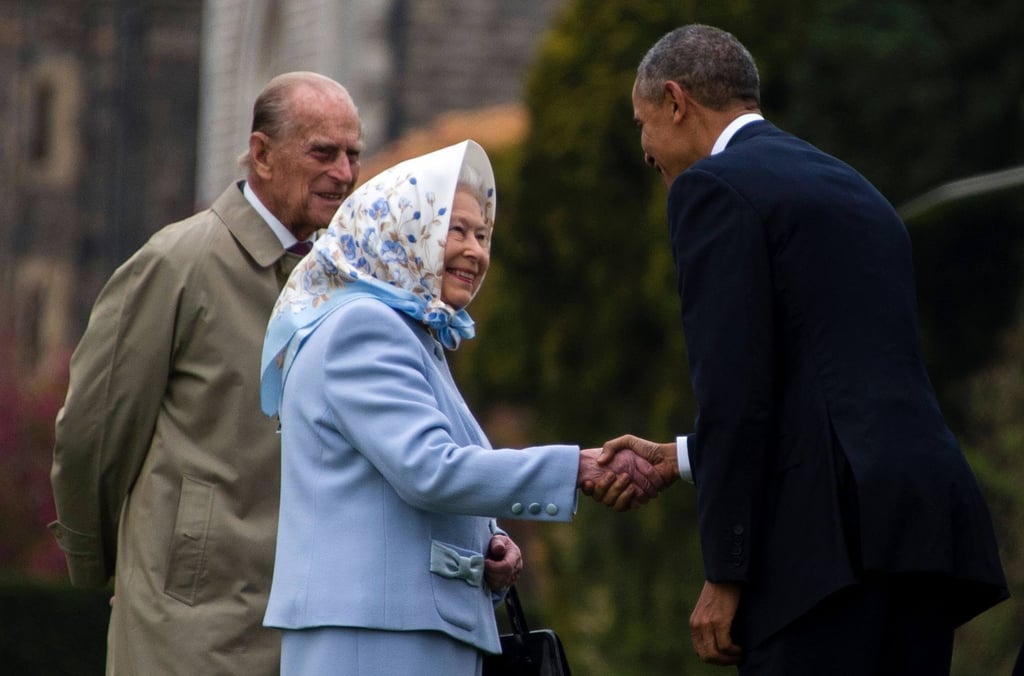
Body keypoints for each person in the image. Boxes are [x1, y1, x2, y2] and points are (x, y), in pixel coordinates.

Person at [598, 23, 1009, 675]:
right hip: (921, 534)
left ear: (675, 101)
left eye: (642, 123)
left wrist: (728, 571)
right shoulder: (857, 190)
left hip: (823, 554)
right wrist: (679, 458)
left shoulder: (714, 188)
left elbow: (736, 392)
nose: (647, 150)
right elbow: (831, 387)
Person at [259, 139, 662, 675]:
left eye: (483, 235)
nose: (475, 251)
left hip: (399, 634)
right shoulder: (365, 326)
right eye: (457, 229)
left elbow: (397, 489)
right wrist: (579, 467)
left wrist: (488, 544)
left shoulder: (409, 332)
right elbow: (429, 468)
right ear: (406, 226)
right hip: (373, 639)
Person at [48, 71, 364, 675]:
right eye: (322, 152)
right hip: (186, 623)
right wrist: (105, 569)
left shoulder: (346, 280)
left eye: (353, 154)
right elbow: (95, 432)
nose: (344, 174)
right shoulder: (178, 262)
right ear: (263, 155)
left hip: (308, 621)